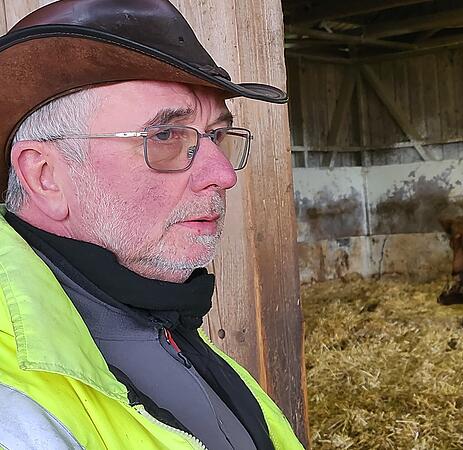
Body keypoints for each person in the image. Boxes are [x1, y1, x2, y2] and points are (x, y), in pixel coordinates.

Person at [0, 0, 304, 449]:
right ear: (45, 176)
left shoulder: (159, 321)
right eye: (164, 136)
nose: (223, 175)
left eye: (216, 135)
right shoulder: (16, 404)